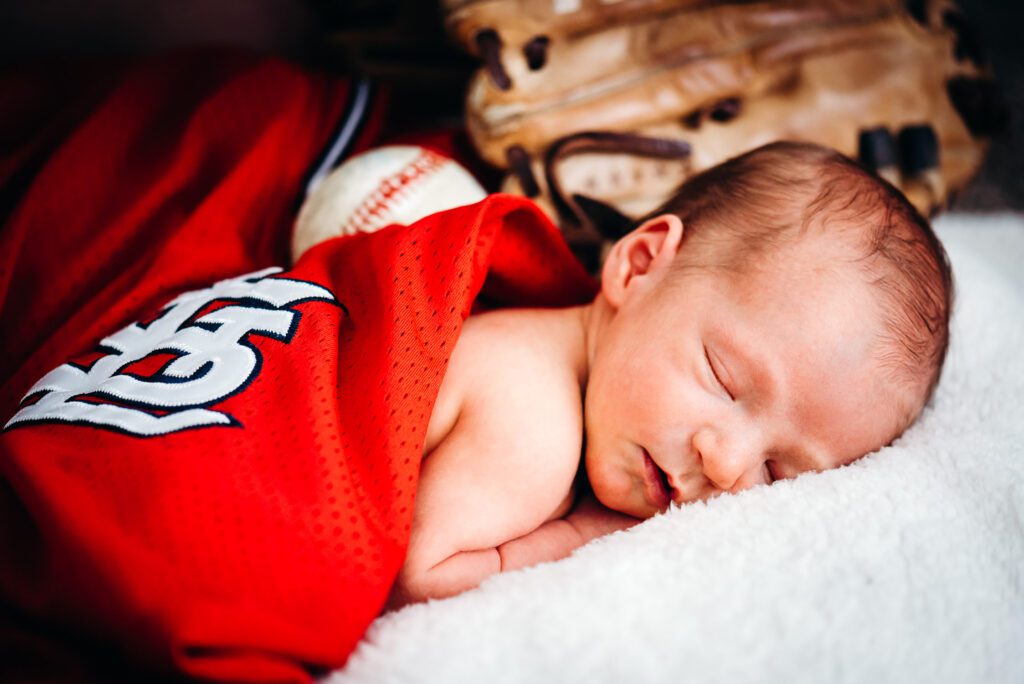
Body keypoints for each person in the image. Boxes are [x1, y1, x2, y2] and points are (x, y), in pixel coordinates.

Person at [390, 140, 952, 606]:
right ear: (640, 265)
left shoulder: (538, 340)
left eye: (776, 471)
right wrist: (586, 535)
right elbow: (420, 576)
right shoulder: (533, 421)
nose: (728, 465)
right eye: (723, 378)